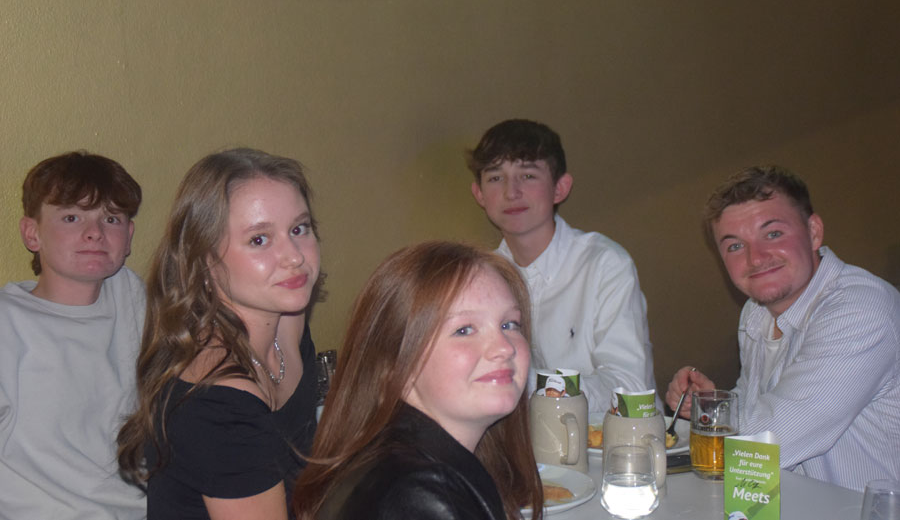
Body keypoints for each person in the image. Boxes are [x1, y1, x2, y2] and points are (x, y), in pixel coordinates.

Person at [666, 165, 900, 491]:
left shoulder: (861, 311)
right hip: (792, 504)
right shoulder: (756, 312)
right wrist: (710, 406)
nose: (756, 258)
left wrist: (709, 423)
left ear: (814, 231)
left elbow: (769, 442)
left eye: (773, 234)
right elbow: (760, 407)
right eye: (735, 246)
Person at [117, 148, 322, 519]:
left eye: (299, 229)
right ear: (204, 260)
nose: (294, 256)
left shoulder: (287, 319)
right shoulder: (217, 404)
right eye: (259, 239)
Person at [293, 241, 543, 520]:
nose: (504, 348)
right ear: (395, 363)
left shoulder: (395, 462)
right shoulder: (418, 494)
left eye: (509, 324)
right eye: (464, 330)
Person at [467, 119, 657, 413]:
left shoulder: (605, 264)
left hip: (609, 437)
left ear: (560, 188)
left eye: (527, 175)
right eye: (495, 178)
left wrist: (527, 383)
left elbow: (629, 387)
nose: (511, 192)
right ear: (479, 194)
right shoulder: (482, 277)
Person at [0, 151, 146, 519]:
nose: (95, 232)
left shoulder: (130, 296)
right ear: (32, 233)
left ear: (128, 237)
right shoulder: (8, 323)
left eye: (111, 219)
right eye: (71, 217)